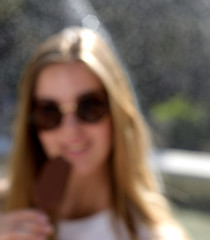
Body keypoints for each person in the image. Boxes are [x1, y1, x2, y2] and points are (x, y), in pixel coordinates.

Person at [0, 27, 187, 240]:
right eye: (48, 111)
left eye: (89, 106)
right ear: (31, 124)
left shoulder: (155, 235)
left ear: (118, 112)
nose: (71, 129)